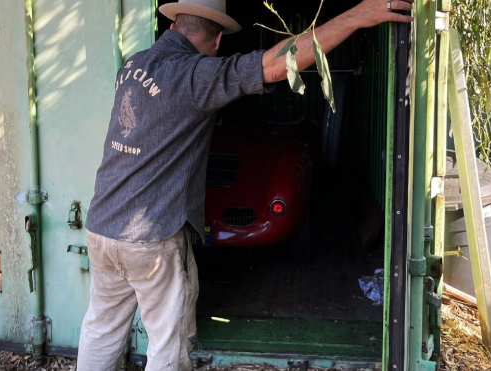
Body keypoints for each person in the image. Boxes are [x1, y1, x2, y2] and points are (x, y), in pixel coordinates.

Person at [79, 0, 413, 369]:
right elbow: (276, 64)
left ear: (173, 25)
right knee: (169, 343)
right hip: (151, 235)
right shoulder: (196, 75)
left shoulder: (133, 65)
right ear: (218, 40)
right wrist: (360, 15)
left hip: (102, 226)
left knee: (101, 327)